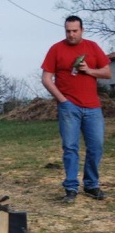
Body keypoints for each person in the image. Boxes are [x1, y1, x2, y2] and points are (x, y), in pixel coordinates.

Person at [42, 15, 111, 203]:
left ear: (82, 30)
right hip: (69, 107)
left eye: (75, 31)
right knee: (71, 148)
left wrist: (89, 70)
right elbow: (46, 79)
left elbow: (107, 72)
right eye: (68, 31)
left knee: (96, 147)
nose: (71, 34)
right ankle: (71, 188)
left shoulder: (92, 47)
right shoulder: (56, 49)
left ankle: (91, 185)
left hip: (92, 107)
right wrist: (63, 100)